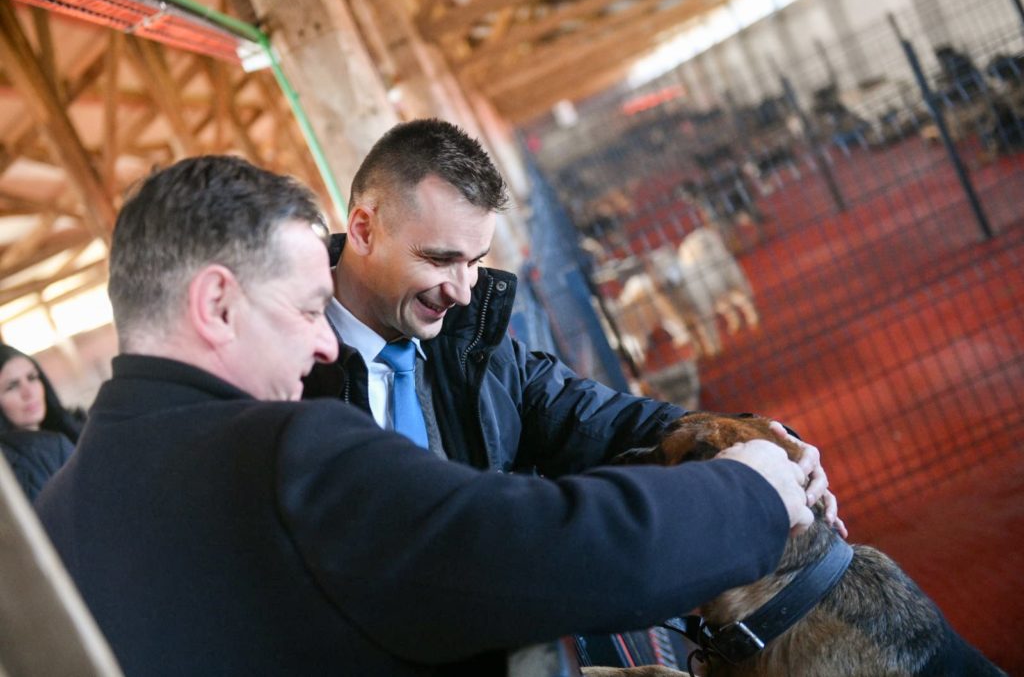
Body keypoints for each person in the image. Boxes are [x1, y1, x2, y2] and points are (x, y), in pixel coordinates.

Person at [36, 155, 817, 676]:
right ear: (216, 303)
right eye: (306, 309)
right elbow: (524, 552)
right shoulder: (276, 451)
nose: (321, 340)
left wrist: (733, 434)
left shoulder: (53, 521)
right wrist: (746, 492)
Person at [303, 118, 842, 527]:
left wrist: (750, 440)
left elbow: (597, 418)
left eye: (474, 262)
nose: (463, 291)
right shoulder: (289, 378)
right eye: (440, 260)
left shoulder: (475, 343)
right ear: (364, 230)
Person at [0, 345, 80, 500]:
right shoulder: (9, 472)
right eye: (12, 386)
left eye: (32, 378)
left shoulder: (81, 429)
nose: (29, 392)